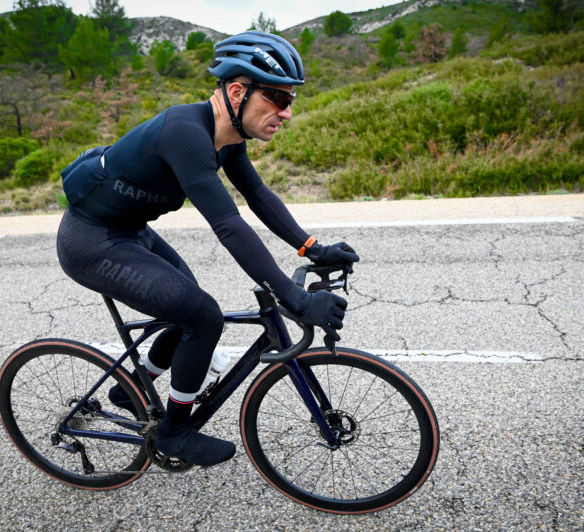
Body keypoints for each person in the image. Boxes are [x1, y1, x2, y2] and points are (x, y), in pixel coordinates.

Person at [56, 31, 359, 467]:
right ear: (237, 92)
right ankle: (174, 432)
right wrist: (293, 297)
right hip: (91, 242)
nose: (287, 113)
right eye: (277, 98)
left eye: (291, 101)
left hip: (129, 231)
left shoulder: (228, 136)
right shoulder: (185, 132)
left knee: (184, 306)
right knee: (201, 314)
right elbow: (228, 224)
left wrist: (313, 249)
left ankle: (130, 391)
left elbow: (257, 195)